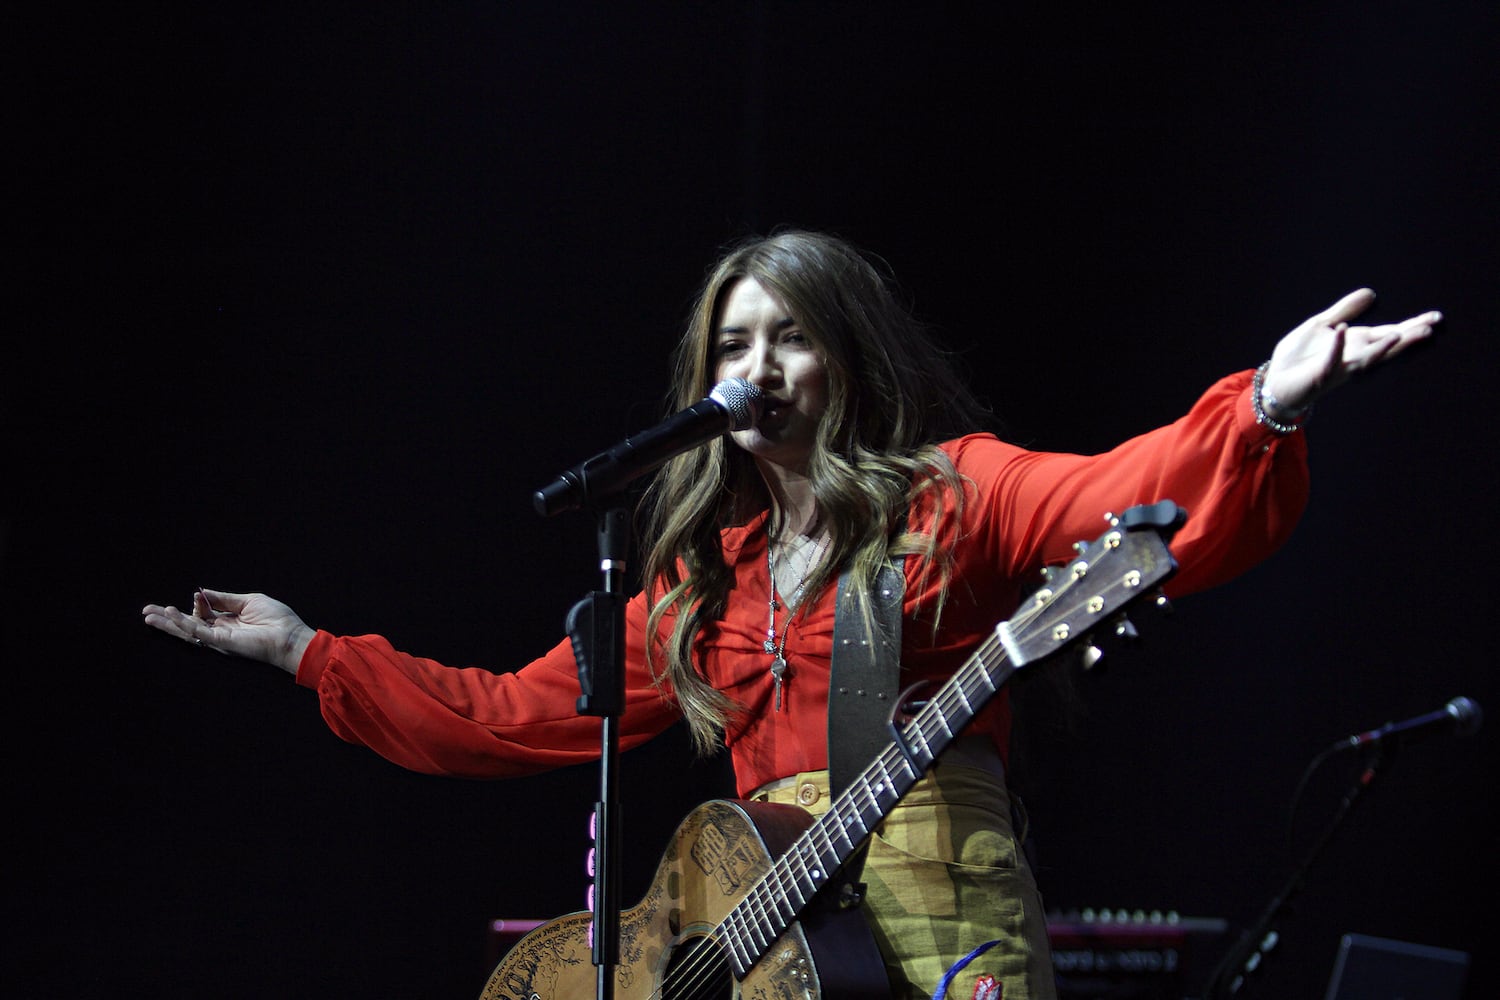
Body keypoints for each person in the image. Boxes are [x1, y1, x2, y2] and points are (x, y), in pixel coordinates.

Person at [141, 230, 1438, 1000]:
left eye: (790, 337)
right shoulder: (710, 580)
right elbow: (517, 717)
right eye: (732, 344)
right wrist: (308, 648)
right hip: (762, 932)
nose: (755, 367)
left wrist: (1264, 402)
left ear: (849, 360)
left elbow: (1122, 496)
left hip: (935, 886)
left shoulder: (949, 497)